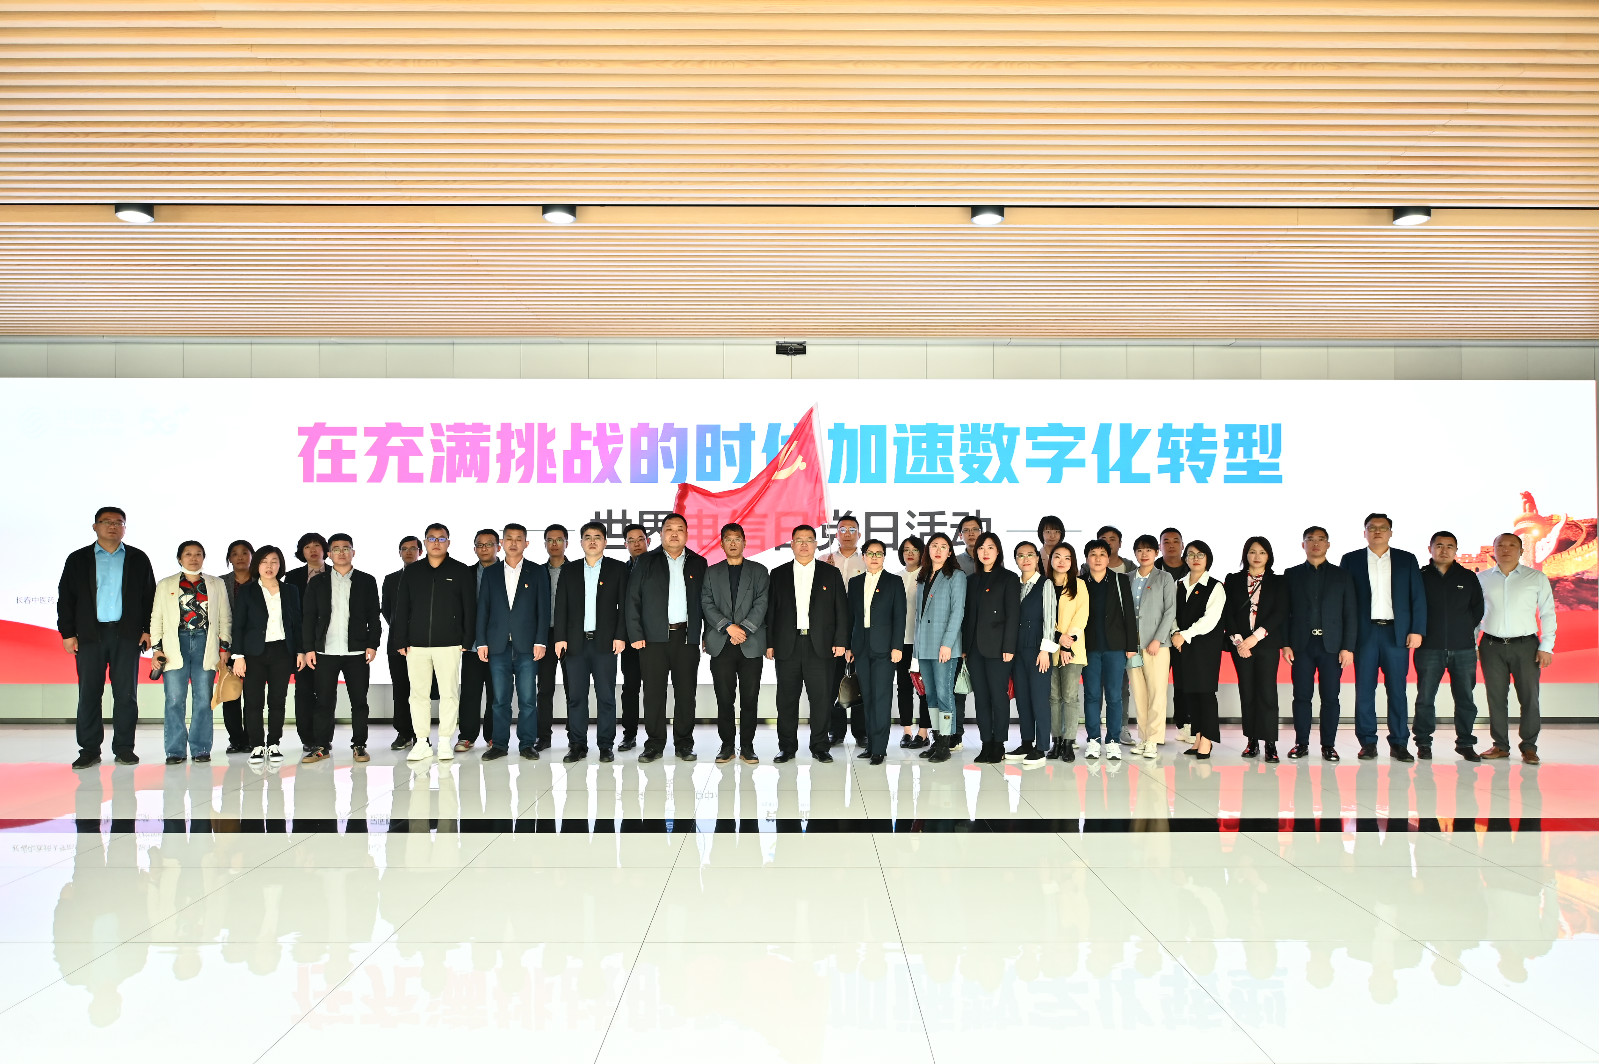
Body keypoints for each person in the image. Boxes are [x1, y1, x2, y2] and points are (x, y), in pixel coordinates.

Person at [58, 506, 156, 769]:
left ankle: (124, 748)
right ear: (95, 527)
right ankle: (89, 749)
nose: (113, 526)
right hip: (90, 635)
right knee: (89, 693)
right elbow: (66, 598)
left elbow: (149, 597)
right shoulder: (78, 559)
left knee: (126, 694)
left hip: (127, 635)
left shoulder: (138, 558)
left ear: (124, 528)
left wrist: (147, 629)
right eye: (106, 521)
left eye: (118, 522)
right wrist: (67, 633)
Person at [1339, 513, 1427, 761]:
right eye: (1372, 527)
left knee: (1397, 690)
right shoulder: (1351, 560)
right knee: (1364, 691)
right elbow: (1344, 600)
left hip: (1396, 634)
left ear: (1390, 532)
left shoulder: (1406, 559)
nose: (1377, 531)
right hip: (1364, 633)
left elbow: (1417, 597)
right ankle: (1367, 742)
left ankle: (1399, 742)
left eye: (1383, 528)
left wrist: (1417, 629)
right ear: (1364, 532)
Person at [390, 522, 477, 762]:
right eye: (432, 538)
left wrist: (467, 638)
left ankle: (446, 741)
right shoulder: (413, 572)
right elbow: (401, 607)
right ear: (425, 542)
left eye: (441, 538)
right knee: (418, 695)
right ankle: (421, 742)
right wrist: (401, 639)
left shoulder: (460, 571)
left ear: (448, 542)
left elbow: (469, 608)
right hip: (416, 645)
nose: (436, 543)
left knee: (449, 694)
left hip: (449, 643)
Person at [626, 512, 707, 762]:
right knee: (653, 694)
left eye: (680, 529)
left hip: (686, 638)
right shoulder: (645, 561)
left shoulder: (698, 562)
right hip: (652, 640)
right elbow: (632, 599)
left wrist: (705, 634)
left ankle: (684, 744)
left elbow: (706, 602)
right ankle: (654, 744)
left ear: (687, 534)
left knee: (686, 694)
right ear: (660, 534)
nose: (674, 533)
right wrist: (636, 633)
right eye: (669, 529)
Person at [766, 523, 850, 763]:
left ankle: (820, 746)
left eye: (809, 540)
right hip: (787, 646)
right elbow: (771, 612)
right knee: (786, 700)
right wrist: (769, 643)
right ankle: (787, 747)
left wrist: (841, 641)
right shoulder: (778, 574)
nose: (804, 544)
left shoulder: (830, 573)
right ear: (792, 544)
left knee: (821, 699)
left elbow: (841, 611)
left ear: (815, 544)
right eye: (799, 540)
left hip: (821, 646)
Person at [300, 532, 382, 764]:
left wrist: (372, 644)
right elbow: (309, 617)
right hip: (325, 651)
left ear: (353, 552)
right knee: (324, 701)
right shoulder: (318, 582)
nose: (341, 553)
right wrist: (309, 648)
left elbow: (374, 617)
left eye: (346, 548)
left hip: (356, 651)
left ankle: (359, 745)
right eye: (336, 549)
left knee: (359, 701)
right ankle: (321, 746)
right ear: (329, 554)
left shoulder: (366, 581)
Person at [553, 521, 629, 763]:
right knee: (576, 697)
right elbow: (561, 606)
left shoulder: (617, 569)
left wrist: (620, 636)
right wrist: (560, 638)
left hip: (605, 643)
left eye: (597, 537)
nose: (592, 541)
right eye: (588, 537)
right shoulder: (570, 570)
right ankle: (577, 744)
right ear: (581, 542)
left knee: (606, 696)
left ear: (605, 542)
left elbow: (624, 607)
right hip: (575, 644)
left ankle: (606, 745)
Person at [1477, 532, 1556, 764]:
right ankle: (1500, 745)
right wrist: (1472, 644)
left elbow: (1547, 612)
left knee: (1529, 697)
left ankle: (1529, 747)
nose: (1506, 549)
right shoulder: (1481, 579)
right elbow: (1474, 615)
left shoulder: (1536, 577)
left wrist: (1547, 646)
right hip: (1491, 646)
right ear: (1493, 550)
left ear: (1521, 551)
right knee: (1496, 698)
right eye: (1500, 545)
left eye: (1512, 545)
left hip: (1526, 646)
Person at [149, 540, 230, 765]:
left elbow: (225, 617)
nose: (193, 558)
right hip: (175, 643)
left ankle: (201, 748)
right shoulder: (166, 584)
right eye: (188, 554)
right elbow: (156, 617)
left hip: (206, 642)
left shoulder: (216, 583)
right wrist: (157, 649)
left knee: (203, 699)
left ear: (203, 557)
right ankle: (175, 750)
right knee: (174, 699)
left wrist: (224, 647)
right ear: (179, 558)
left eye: (198, 554)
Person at [1282, 526, 1357, 761]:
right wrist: (1285, 644)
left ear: (1328, 544)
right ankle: (1301, 744)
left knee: (1330, 698)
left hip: (1332, 647)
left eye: (1321, 539)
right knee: (1301, 697)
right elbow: (1285, 612)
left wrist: (1348, 647)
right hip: (1301, 646)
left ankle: (1328, 745)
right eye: (1310, 539)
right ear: (1303, 544)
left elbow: (1350, 613)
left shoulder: (1342, 575)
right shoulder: (1291, 574)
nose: (1315, 543)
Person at [475, 523, 548, 760]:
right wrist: (482, 642)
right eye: (509, 538)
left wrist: (541, 641)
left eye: (519, 539)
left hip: (527, 646)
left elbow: (543, 610)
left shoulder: (537, 571)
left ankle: (527, 744)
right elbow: (483, 609)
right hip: (498, 645)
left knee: (527, 699)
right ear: (502, 544)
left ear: (526, 543)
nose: (513, 543)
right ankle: (499, 744)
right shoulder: (491, 573)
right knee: (500, 700)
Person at [701, 522, 768, 765]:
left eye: (737, 539)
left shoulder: (759, 571)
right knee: (724, 698)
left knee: (750, 698)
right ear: (721, 544)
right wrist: (728, 627)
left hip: (751, 643)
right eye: (728, 539)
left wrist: (744, 629)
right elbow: (706, 603)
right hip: (721, 643)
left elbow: (762, 602)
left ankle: (747, 746)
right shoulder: (711, 572)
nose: (732, 543)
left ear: (744, 542)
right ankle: (727, 745)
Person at [229, 545, 302, 764]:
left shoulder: (290, 590)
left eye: (274, 562)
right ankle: (257, 745)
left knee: (277, 700)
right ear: (257, 565)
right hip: (254, 653)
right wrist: (238, 656)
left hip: (282, 651)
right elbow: (238, 625)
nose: (269, 566)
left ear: (280, 565)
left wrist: (300, 650)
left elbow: (297, 624)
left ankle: (274, 743)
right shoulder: (247, 591)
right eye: (264, 562)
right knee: (253, 701)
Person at [1416, 531, 1485, 761]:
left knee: (1465, 699)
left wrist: (1461, 630)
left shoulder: (1468, 577)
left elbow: (1477, 609)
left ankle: (1465, 743)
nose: (1444, 550)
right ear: (1430, 549)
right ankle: (1423, 742)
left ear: (1456, 550)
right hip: (1429, 648)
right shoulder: (1420, 576)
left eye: (1449, 546)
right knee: (1425, 699)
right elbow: (1413, 608)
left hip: (1463, 649)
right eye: (1439, 545)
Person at [1222, 536, 1288, 762]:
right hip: (1240, 646)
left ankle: (1270, 743)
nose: (1257, 556)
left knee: (1267, 693)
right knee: (1247, 692)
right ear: (1245, 554)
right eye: (1252, 551)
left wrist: (1254, 638)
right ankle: (1252, 741)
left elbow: (1280, 612)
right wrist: (1239, 641)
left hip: (1266, 644)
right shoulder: (1232, 579)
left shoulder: (1279, 581)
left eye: (1262, 552)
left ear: (1269, 556)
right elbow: (1227, 612)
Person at [845, 539, 905, 765]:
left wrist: (897, 646)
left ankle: (880, 748)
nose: (874, 557)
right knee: (867, 697)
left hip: (885, 647)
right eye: (870, 553)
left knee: (881, 697)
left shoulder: (894, 581)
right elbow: (850, 617)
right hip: (861, 646)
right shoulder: (855, 582)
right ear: (863, 556)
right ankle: (871, 745)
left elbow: (900, 616)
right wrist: (849, 646)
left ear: (884, 557)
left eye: (879, 553)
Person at [962, 531, 1020, 764]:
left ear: (998, 552)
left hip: (998, 649)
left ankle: (999, 744)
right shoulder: (971, 580)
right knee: (981, 698)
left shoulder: (1009, 578)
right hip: (974, 649)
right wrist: (965, 647)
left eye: (990, 548)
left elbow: (1013, 615)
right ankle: (986, 742)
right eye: (981, 548)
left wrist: (1009, 646)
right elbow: (967, 617)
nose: (985, 552)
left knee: (998, 696)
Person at [1080, 538, 1138, 760]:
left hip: (1115, 647)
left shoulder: (1120, 580)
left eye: (1102, 554)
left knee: (1114, 695)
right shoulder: (1080, 582)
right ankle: (1093, 740)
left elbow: (1129, 614)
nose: (1097, 559)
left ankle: (1113, 740)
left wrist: (1131, 645)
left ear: (1108, 558)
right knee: (1092, 695)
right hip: (1089, 647)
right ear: (1087, 559)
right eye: (1093, 554)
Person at [913, 533, 967, 763]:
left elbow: (957, 612)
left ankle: (946, 742)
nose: (938, 550)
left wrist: (947, 643)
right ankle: (937, 739)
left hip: (945, 646)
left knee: (945, 694)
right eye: (934, 545)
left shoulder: (956, 575)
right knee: (931, 695)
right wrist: (916, 648)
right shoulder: (923, 575)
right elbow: (918, 615)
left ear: (950, 552)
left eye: (943, 546)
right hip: (925, 645)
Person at [1171, 541, 1226, 759]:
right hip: (1181, 645)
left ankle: (1207, 739)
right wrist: (1175, 632)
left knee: (1205, 693)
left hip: (1204, 646)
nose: (1195, 558)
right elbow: (1172, 612)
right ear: (1185, 558)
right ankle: (1198, 736)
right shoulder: (1179, 584)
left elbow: (1210, 619)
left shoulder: (1215, 586)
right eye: (1191, 554)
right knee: (1190, 692)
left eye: (1200, 554)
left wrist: (1185, 634)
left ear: (1208, 559)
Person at [1126, 534, 1177, 759]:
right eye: (1139, 550)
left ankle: (1154, 739)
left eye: (1148, 550)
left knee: (1157, 693)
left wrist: (1158, 639)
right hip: (1132, 646)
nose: (1144, 554)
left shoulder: (1164, 578)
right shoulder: (1127, 578)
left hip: (1157, 645)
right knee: (1139, 694)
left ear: (1156, 552)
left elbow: (1170, 611)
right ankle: (1144, 737)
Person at [1007, 540, 1056, 766]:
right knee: (1023, 699)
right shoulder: (1013, 585)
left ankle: (1042, 746)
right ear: (1015, 560)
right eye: (1020, 555)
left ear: (1037, 558)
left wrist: (1045, 650)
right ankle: (1026, 742)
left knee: (1039, 698)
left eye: (1030, 555)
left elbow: (1050, 619)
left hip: (1038, 650)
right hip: (1017, 650)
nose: (1025, 559)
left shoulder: (1045, 584)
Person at [822, 514, 867, 746]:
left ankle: (861, 732)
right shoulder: (824, 559)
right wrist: (825, 572)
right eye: (842, 529)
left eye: (852, 530)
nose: (847, 534)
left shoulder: (867, 560)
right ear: (836, 534)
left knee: (860, 680)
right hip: (832, 629)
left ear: (859, 534)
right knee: (834, 681)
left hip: (860, 626)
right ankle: (835, 730)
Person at [455, 529, 500, 753]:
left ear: (498, 547)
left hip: (499, 644)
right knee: (470, 692)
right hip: (472, 645)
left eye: (489, 544)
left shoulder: (507, 572)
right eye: (480, 545)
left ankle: (493, 736)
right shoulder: (466, 573)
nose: (484, 548)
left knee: (496, 693)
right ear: (474, 549)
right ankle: (466, 736)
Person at [283, 531, 328, 753]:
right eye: (307, 546)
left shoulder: (336, 573)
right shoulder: (292, 577)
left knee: (326, 693)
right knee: (303, 691)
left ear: (324, 549)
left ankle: (324, 736)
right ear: (302, 552)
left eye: (317, 545)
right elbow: (289, 613)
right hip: (301, 644)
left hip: (329, 642)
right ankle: (307, 737)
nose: (313, 550)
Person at [1046, 542, 1087, 761]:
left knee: (1070, 697)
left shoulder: (1079, 584)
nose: (1062, 561)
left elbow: (1081, 616)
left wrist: (1066, 642)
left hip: (1073, 649)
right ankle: (1057, 741)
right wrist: (1058, 638)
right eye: (1057, 557)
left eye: (1067, 558)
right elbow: (1043, 617)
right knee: (1053, 697)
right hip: (1049, 648)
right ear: (1050, 559)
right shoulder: (1044, 584)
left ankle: (1069, 742)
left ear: (1072, 562)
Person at [381, 535, 422, 750]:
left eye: (413, 548)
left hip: (423, 643)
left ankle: (421, 734)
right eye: (404, 549)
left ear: (420, 552)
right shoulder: (391, 579)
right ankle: (404, 733)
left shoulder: (429, 576)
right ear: (399, 553)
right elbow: (387, 610)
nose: (408, 552)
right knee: (400, 690)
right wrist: (401, 631)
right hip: (397, 644)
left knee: (421, 691)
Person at [535, 524, 571, 752]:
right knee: (545, 688)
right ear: (545, 544)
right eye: (550, 540)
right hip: (544, 635)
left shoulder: (576, 570)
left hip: (569, 634)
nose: (554, 544)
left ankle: (574, 736)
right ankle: (543, 737)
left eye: (559, 540)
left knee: (572, 688)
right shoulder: (537, 572)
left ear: (567, 543)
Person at [894, 537, 930, 749]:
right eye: (906, 549)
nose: (910, 553)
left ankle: (923, 732)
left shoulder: (928, 575)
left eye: (915, 550)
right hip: (901, 642)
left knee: (924, 688)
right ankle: (907, 731)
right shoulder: (895, 577)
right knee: (904, 687)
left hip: (923, 642)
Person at [218, 538, 253, 754]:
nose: (240, 557)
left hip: (255, 647)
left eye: (244, 552)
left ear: (252, 556)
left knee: (252, 695)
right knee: (231, 695)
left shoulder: (262, 580)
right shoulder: (220, 582)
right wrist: (223, 645)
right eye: (235, 553)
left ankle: (250, 738)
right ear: (229, 558)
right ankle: (235, 739)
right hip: (228, 646)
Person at [617, 522, 650, 751]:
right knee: (630, 688)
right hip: (630, 639)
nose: (637, 544)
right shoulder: (621, 570)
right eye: (631, 541)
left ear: (648, 541)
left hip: (655, 638)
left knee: (654, 689)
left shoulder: (658, 566)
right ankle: (629, 735)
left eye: (641, 540)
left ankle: (655, 736)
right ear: (625, 544)